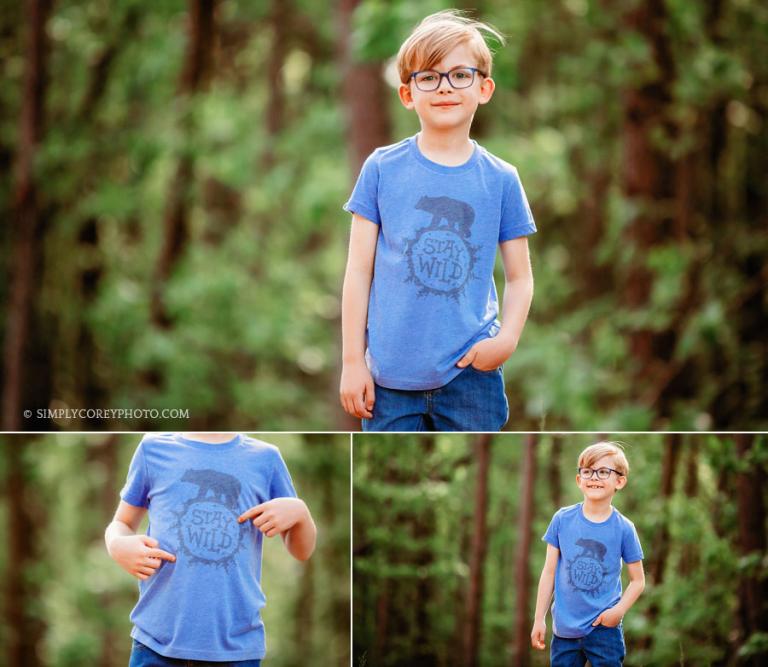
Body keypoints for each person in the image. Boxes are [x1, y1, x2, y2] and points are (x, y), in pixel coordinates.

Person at [340, 9, 536, 431]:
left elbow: (520, 277)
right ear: (408, 93)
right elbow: (358, 270)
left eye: (459, 75)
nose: (444, 87)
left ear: (484, 88)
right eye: (428, 77)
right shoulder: (381, 168)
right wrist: (353, 361)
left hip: (471, 373)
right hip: (389, 377)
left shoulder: (501, 179)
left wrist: (507, 340)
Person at [105, 432, 316, 666]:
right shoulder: (153, 448)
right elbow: (122, 523)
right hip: (155, 644)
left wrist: (301, 513)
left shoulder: (265, 458)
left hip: (237, 648)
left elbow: (302, 551)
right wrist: (117, 544)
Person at [530, 442, 645, 666]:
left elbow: (638, 580)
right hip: (565, 630)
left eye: (603, 472)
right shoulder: (562, 520)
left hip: (604, 629)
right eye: (587, 471)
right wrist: (538, 619)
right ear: (579, 479)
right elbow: (549, 572)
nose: (594, 477)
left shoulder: (624, 528)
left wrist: (618, 611)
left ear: (619, 481)